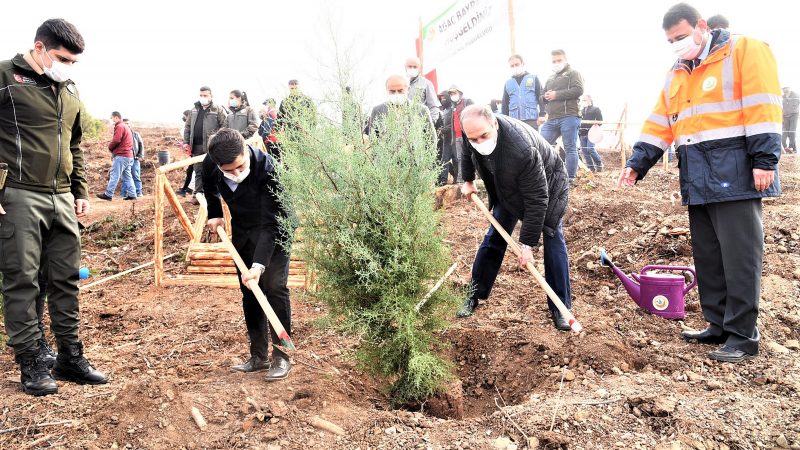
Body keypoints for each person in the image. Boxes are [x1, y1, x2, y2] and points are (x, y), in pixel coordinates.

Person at [619, 3, 782, 363]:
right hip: (697, 175)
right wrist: (637, 164)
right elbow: (661, 122)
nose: (676, 44)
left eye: (680, 36)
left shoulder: (743, 51)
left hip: (736, 170)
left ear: (701, 26)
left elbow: (763, 106)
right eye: (670, 40)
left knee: (740, 257)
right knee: (709, 255)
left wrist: (765, 159)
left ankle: (742, 335)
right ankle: (718, 324)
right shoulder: (676, 72)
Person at [0, 18, 107, 396]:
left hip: (62, 197)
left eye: (75, 62)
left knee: (66, 279)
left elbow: (74, 145)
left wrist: (79, 190)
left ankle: (69, 356)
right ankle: (30, 361)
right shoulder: (5, 77)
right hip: (18, 193)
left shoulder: (69, 88)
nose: (69, 67)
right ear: (39, 47)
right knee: (23, 281)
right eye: (64, 58)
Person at [457, 105, 573, 331]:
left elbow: (538, 198)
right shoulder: (470, 131)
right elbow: (466, 151)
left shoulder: (521, 148)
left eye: (484, 136)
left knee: (552, 239)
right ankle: (474, 294)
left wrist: (527, 244)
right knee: (494, 238)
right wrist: (468, 179)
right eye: (474, 138)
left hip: (548, 186)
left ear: (495, 124)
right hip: (507, 186)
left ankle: (561, 306)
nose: (479, 142)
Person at [203, 128, 294, 381]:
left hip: (277, 227)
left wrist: (258, 266)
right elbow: (208, 186)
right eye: (228, 171)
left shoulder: (270, 170)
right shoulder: (211, 164)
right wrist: (215, 213)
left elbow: (270, 224)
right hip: (243, 228)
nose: (235, 174)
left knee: (275, 288)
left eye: (240, 167)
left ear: (246, 150)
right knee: (250, 292)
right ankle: (258, 356)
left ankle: (282, 356)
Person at [539, 49, 584, 184]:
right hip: (552, 117)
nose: (556, 63)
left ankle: (570, 179)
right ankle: (547, 175)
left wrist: (556, 95)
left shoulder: (573, 73)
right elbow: (541, 96)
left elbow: (579, 90)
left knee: (570, 147)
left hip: (569, 115)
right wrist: (545, 97)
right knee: (541, 145)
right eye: (554, 61)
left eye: (559, 60)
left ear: (565, 60)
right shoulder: (550, 78)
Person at [183, 86, 228, 195]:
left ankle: (214, 194)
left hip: (211, 147)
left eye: (205, 95)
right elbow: (187, 126)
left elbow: (225, 126)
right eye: (201, 95)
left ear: (211, 96)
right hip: (196, 147)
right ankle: (198, 194)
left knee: (213, 171)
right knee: (198, 171)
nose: (203, 97)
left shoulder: (218, 109)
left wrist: (218, 142)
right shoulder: (194, 109)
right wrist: (186, 142)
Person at [363, 74, 435, 140]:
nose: (396, 94)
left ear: (408, 90)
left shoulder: (421, 110)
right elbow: (373, 139)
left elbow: (431, 139)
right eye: (392, 91)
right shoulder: (377, 110)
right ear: (387, 91)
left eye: (400, 91)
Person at [97, 111, 136, 201]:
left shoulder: (119, 126)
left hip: (122, 155)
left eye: (112, 118)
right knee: (127, 176)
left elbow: (116, 140)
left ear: (116, 117)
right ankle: (132, 194)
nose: (111, 120)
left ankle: (108, 194)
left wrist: (110, 147)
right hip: (128, 155)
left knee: (114, 175)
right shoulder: (125, 126)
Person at [501, 54, 545, 130]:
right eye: (512, 66)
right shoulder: (508, 83)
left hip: (531, 120)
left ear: (523, 64)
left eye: (517, 64)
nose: (515, 67)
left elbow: (541, 97)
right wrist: (505, 121)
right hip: (514, 122)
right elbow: (505, 104)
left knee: (532, 142)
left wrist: (542, 114)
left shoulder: (533, 78)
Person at [441, 85, 474, 184]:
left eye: (454, 93)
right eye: (450, 93)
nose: (452, 95)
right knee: (459, 158)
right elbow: (453, 122)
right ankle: (460, 179)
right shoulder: (453, 106)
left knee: (473, 156)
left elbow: (475, 114)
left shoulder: (467, 102)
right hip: (457, 136)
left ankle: (474, 177)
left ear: (459, 92)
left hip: (468, 135)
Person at [404, 56, 442, 126]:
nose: (412, 69)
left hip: (420, 126)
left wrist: (429, 125)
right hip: (404, 127)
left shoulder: (426, 83)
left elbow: (433, 107)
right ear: (405, 67)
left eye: (415, 67)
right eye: (410, 66)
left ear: (420, 69)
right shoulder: (401, 83)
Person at [578, 95, 604, 172]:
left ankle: (599, 165)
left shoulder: (596, 109)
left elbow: (600, 121)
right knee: (585, 151)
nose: (583, 101)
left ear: (590, 100)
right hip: (582, 133)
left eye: (585, 100)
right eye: (583, 100)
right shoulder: (581, 111)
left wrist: (596, 124)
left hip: (592, 133)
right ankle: (591, 167)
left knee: (590, 149)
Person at [124, 118, 145, 197]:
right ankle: (126, 193)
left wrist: (140, 155)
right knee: (126, 176)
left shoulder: (136, 134)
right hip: (125, 158)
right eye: (125, 124)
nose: (127, 125)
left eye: (128, 123)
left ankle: (138, 192)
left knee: (136, 175)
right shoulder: (121, 135)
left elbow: (141, 145)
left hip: (135, 158)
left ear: (130, 124)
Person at [178, 109, 194, 196]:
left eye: (185, 116)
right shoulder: (189, 127)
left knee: (191, 171)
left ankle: (187, 189)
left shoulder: (189, 128)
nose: (183, 118)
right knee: (190, 171)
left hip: (194, 152)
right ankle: (187, 189)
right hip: (192, 152)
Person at [782, 87, 799, 153]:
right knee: (786, 133)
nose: (785, 90)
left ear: (789, 88)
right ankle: (791, 149)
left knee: (792, 131)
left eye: (786, 88)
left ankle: (791, 147)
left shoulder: (796, 95)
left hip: (794, 115)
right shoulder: (782, 97)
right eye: (783, 89)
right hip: (785, 116)